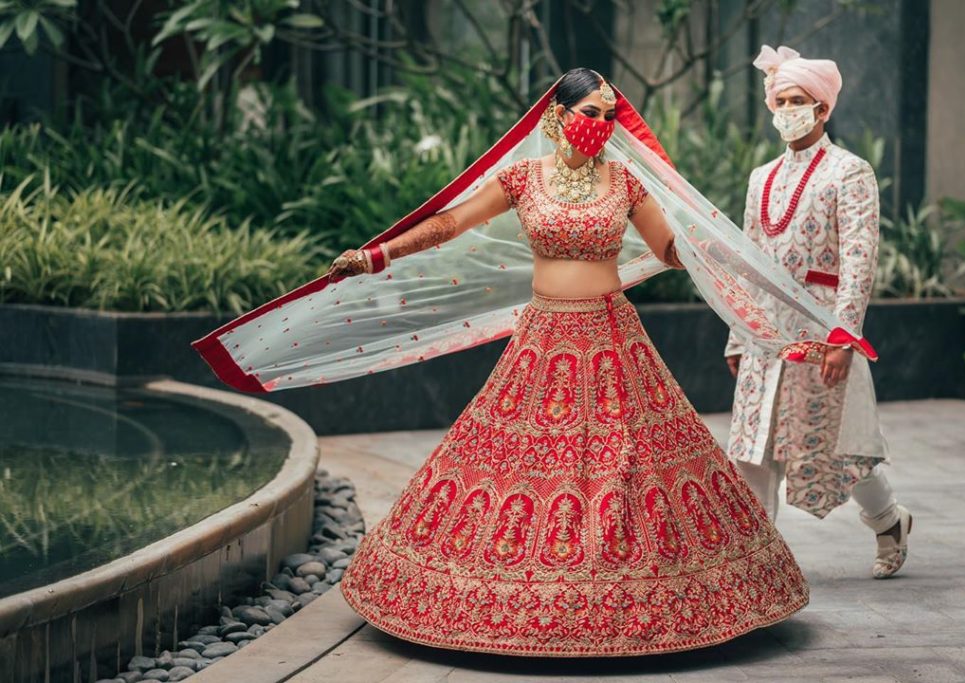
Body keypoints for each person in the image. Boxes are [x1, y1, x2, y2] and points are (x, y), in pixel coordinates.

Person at [194, 67, 879, 656]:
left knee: (627, 472)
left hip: (614, 344)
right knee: (510, 474)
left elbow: (669, 249)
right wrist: (379, 255)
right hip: (544, 342)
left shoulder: (625, 183)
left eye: (610, 117)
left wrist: (716, 259)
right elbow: (451, 223)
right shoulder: (524, 179)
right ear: (558, 115)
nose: (601, 126)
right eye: (590, 114)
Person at [724, 46, 911, 580]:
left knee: (842, 451)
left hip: (822, 325)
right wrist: (739, 336)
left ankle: (888, 521)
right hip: (765, 329)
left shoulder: (851, 172)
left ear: (823, 109)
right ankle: (762, 564)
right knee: (752, 445)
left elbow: (859, 258)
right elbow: (750, 259)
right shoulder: (761, 176)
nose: (786, 109)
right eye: (780, 100)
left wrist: (842, 336)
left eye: (798, 100)